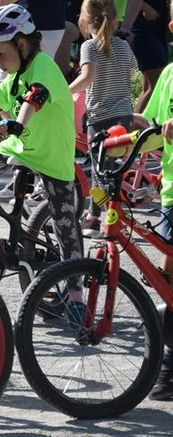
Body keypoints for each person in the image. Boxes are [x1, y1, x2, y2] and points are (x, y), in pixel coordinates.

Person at [0, 5, 84, 310]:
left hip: (51, 152)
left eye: (0, 54)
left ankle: (76, 296)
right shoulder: (14, 74)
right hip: (18, 144)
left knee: (64, 223)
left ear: (21, 43)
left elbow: (34, 98)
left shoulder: (43, 66)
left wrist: (18, 124)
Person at [68, 0, 137, 237]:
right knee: (113, 170)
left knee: (99, 171)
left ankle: (94, 219)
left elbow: (87, 78)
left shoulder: (89, 46)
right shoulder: (124, 45)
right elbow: (130, 74)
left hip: (100, 118)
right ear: (116, 19)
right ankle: (112, 214)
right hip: (124, 117)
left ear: (84, 21)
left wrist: (63, 92)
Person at [139, 45, 173, 401]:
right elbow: (150, 127)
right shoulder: (168, 75)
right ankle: (169, 363)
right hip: (172, 192)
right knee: (168, 281)